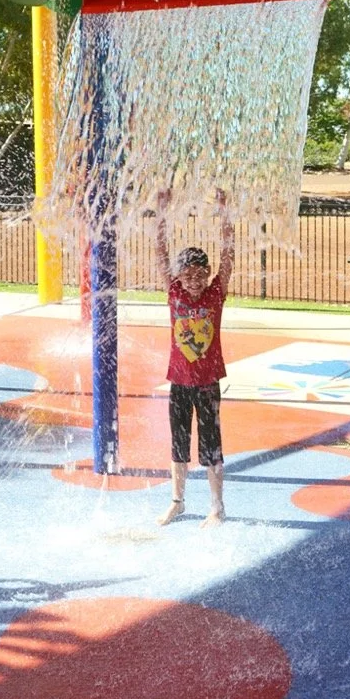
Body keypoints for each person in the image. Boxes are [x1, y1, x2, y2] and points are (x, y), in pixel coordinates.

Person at [155, 187, 235, 527]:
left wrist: (225, 212)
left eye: (200, 274)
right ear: (179, 276)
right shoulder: (172, 291)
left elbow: (228, 256)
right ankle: (178, 502)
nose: (195, 281)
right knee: (178, 444)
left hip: (207, 384)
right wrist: (162, 211)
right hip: (178, 382)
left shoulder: (217, 292)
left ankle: (217, 506)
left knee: (211, 444)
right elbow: (160, 252)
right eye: (188, 275)